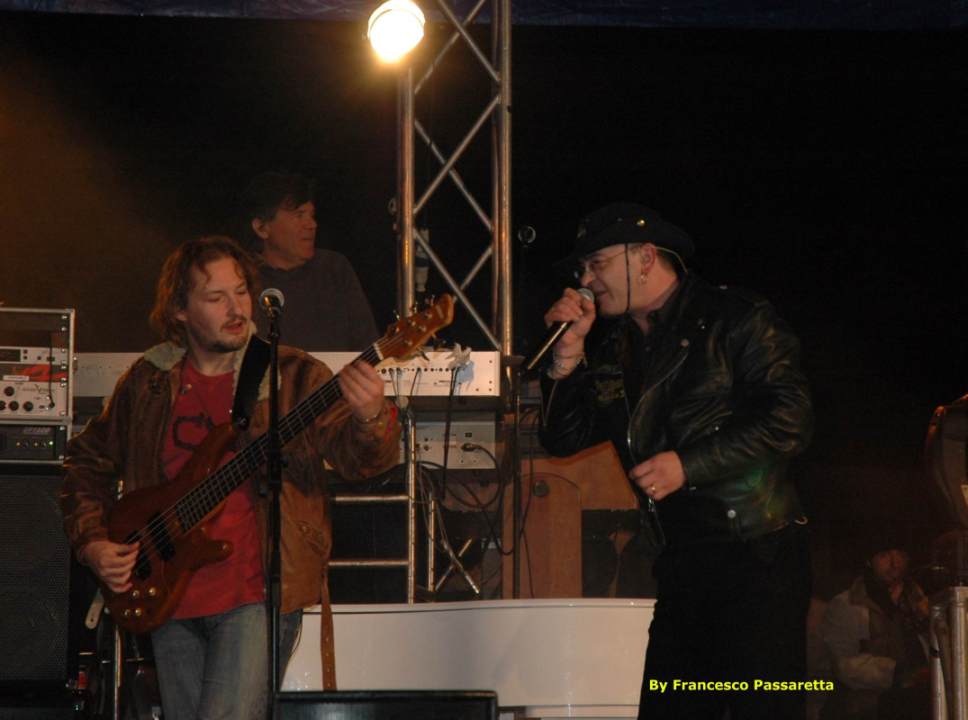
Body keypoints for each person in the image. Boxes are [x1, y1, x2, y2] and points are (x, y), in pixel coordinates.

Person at [60, 235, 400, 719]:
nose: (236, 307)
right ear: (180, 310)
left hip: (253, 597)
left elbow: (361, 462)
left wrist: (370, 418)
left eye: (241, 292)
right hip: (167, 596)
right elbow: (84, 462)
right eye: (216, 297)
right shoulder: (148, 381)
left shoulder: (292, 375)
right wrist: (93, 542)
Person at [538, 202, 814, 719]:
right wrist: (567, 353)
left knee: (762, 707)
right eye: (582, 269)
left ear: (645, 257)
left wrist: (688, 465)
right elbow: (562, 438)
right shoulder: (614, 347)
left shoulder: (735, 316)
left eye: (597, 263)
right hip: (682, 560)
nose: (586, 280)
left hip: (757, 550)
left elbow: (790, 419)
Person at [241, 171, 380, 351]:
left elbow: (367, 343)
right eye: (299, 215)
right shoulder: (242, 278)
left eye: (311, 215)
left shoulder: (334, 269)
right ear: (262, 228)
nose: (312, 224)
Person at [820, 538, 930, 720]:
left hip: (922, 700)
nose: (894, 563)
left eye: (899, 554)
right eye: (884, 555)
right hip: (868, 707)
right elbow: (844, 665)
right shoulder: (848, 605)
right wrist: (899, 673)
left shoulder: (921, 603)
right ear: (869, 561)